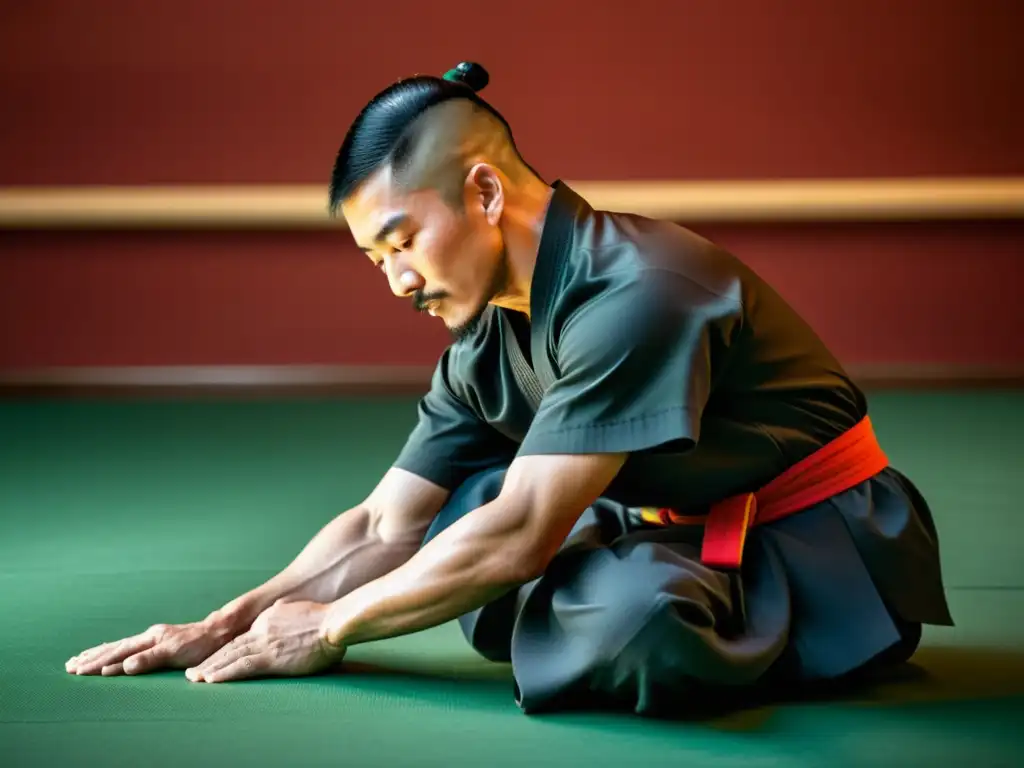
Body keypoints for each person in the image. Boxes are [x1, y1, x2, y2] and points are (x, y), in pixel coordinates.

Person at [65, 61, 953, 717]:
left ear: (484, 192)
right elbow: (387, 523)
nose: (397, 282)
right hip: (661, 522)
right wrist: (234, 619)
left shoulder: (638, 290)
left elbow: (527, 535)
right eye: (377, 261)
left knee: (620, 616)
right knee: (465, 518)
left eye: (402, 243)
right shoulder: (486, 331)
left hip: (818, 541)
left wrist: (333, 627)